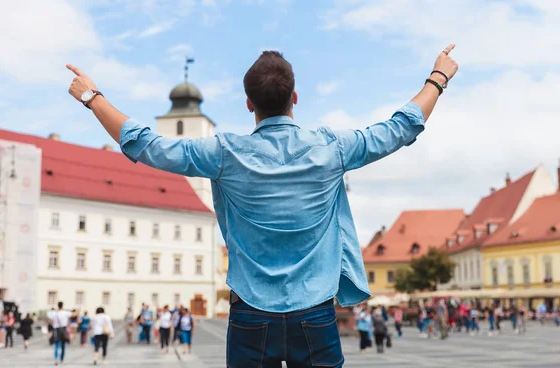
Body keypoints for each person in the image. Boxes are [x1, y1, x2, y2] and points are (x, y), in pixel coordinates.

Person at [65, 43, 458, 367]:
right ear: (295, 99)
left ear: (249, 104)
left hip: (250, 312)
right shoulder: (333, 149)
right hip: (316, 312)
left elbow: (146, 144)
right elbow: (400, 128)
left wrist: (91, 96)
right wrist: (437, 77)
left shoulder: (223, 154)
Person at [48, 301, 71, 365]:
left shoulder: (54, 313)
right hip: (63, 329)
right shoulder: (65, 313)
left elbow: (50, 321)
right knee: (63, 345)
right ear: (62, 306)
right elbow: (73, 315)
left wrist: (53, 325)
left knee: (57, 345)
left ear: (57, 305)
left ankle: (56, 359)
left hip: (56, 329)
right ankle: (62, 358)